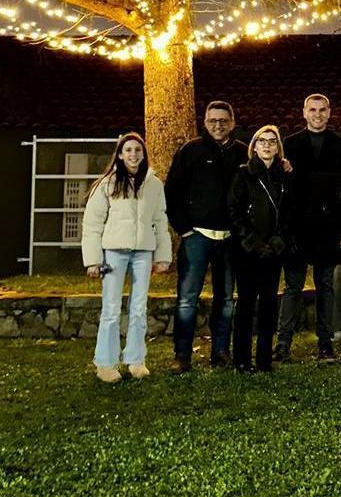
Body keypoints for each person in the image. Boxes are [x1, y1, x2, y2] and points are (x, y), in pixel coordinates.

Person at [164, 101, 247, 373]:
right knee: (187, 298)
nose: (218, 125)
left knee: (226, 299)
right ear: (205, 122)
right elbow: (171, 191)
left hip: (230, 239)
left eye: (223, 120)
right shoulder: (191, 151)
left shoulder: (243, 153)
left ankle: (220, 351)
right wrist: (184, 229)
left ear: (232, 122)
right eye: (213, 120)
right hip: (196, 237)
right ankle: (182, 355)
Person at [82, 133, 171, 383]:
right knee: (111, 308)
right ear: (120, 155)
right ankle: (105, 363)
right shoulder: (108, 183)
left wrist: (162, 256)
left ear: (143, 154)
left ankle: (135, 359)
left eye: (137, 150)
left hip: (143, 252)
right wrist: (93, 260)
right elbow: (92, 222)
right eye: (128, 150)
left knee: (139, 308)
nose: (133, 154)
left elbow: (160, 220)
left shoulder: (154, 184)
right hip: (114, 252)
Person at [275, 94, 341, 363]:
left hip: (328, 226)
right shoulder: (289, 144)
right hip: (297, 227)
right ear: (304, 112)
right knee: (293, 286)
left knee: (325, 286)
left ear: (329, 113)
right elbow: (282, 189)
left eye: (322, 110)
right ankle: (282, 344)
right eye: (312, 110)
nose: (317, 114)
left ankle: (325, 345)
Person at [228, 125, 293, 373]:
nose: (267, 145)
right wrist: (252, 242)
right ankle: (242, 359)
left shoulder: (284, 176)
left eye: (272, 141)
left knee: (268, 304)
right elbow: (234, 210)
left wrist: (277, 242)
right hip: (247, 250)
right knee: (245, 304)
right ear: (254, 146)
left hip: (273, 250)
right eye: (262, 141)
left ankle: (265, 359)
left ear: (278, 148)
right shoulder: (243, 174)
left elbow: (289, 212)